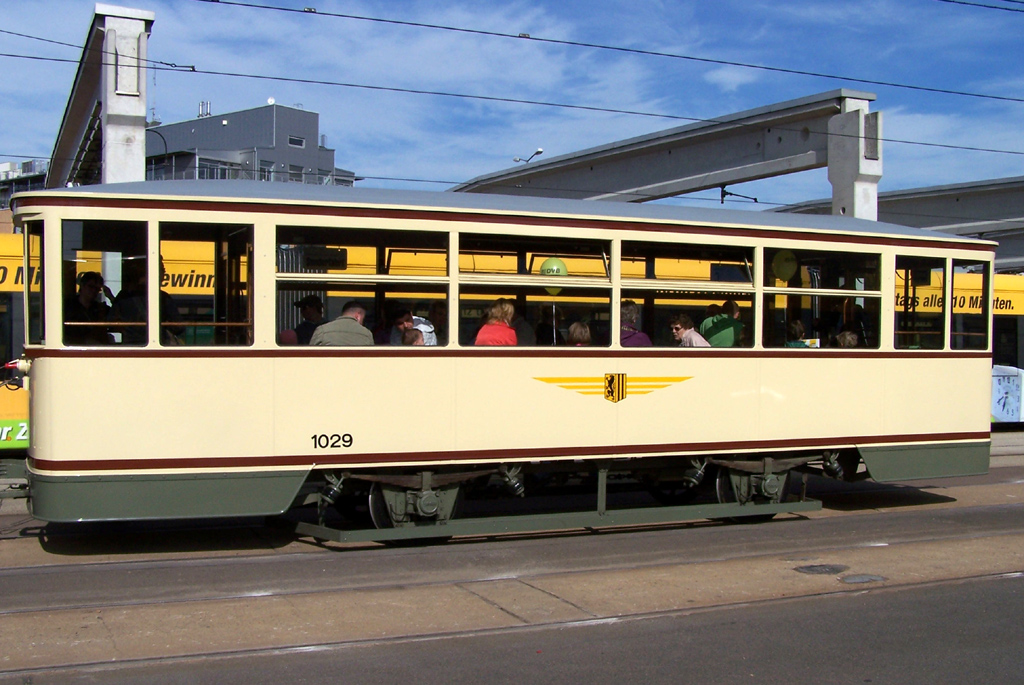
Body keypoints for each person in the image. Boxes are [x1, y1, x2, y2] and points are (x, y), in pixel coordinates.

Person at [64, 271, 111, 345]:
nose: (93, 291)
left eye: (97, 288)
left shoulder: (100, 308)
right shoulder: (68, 306)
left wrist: (111, 297)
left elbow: (120, 315)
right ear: (82, 285)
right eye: (91, 286)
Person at [310, 301, 374, 346]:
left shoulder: (322, 330)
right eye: (363, 318)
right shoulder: (366, 334)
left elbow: (309, 356)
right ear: (358, 316)